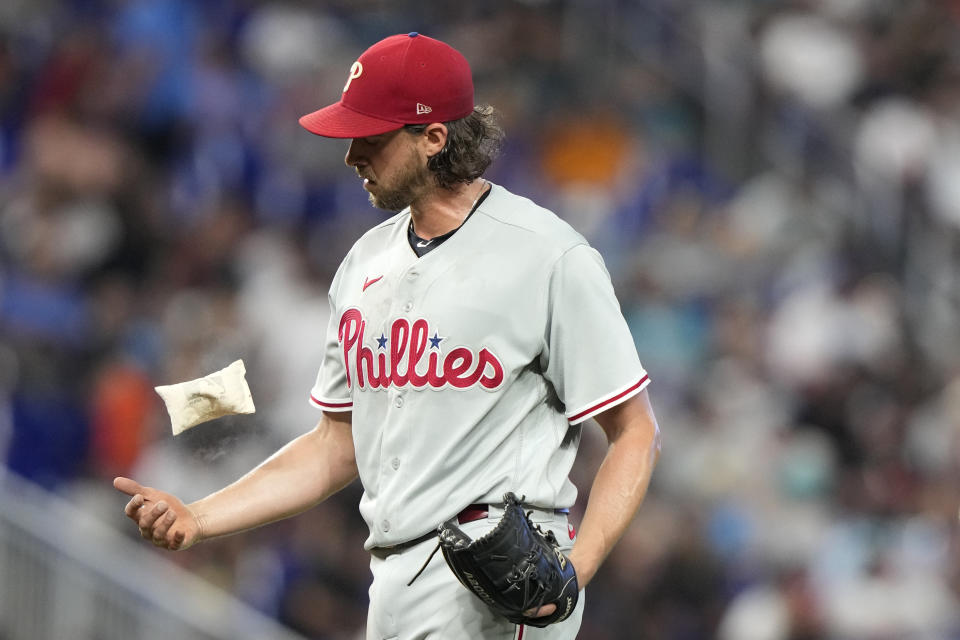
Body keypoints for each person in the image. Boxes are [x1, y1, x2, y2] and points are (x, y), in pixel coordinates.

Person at [115, 32, 661, 640]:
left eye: (371, 138)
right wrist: (200, 515)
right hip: (391, 582)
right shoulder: (363, 264)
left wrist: (574, 572)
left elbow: (634, 432)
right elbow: (334, 445)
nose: (352, 156)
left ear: (433, 138)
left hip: (497, 587)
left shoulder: (548, 255)